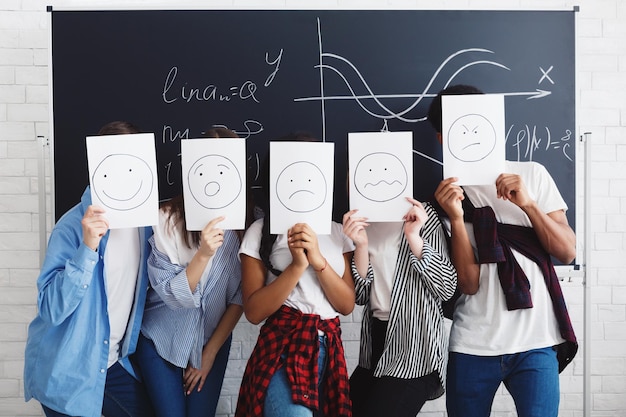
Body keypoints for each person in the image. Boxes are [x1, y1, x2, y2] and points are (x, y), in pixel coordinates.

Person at [428, 84, 578, 417]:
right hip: (473, 344)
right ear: (442, 139)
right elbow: (467, 284)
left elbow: (567, 251)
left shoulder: (531, 174)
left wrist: (528, 206)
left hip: (536, 342)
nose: (470, 133)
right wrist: (454, 216)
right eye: (457, 127)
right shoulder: (447, 197)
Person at [23, 121, 155, 417]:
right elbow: (51, 309)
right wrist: (87, 249)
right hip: (68, 369)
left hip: (112, 363)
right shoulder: (71, 228)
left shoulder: (145, 226)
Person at [235, 132, 356, 417]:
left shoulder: (338, 231)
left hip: (329, 347)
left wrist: (317, 260)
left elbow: (346, 305)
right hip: (283, 345)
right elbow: (253, 312)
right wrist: (296, 266)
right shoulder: (261, 231)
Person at [135, 127, 245, 417]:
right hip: (161, 341)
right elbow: (175, 296)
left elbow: (239, 298)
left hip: (212, 342)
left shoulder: (244, 226)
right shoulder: (165, 220)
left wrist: (208, 355)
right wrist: (204, 254)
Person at [342, 192, 458, 416]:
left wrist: (414, 236)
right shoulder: (359, 222)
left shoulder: (422, 215)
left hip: (416, 348)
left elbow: (446, 287)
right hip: (375, 344)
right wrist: (361, 245)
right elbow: (361, 295)